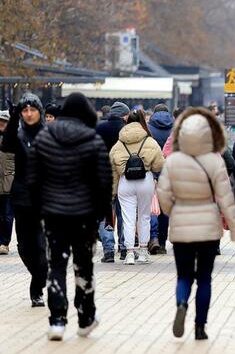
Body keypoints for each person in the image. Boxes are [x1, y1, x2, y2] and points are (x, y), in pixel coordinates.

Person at [27, 92, 112, 341]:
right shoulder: (92, 140)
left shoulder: (44, 138)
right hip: (84, 216)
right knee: (83, 265)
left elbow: (33, 178)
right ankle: (85, 318)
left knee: (57, 265)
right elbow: (103, 182)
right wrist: (99, 212)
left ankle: (57, 321)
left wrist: (39, 208)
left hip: (53, 214)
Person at [156, 107, 235, 340]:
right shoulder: (215, 160)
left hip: (181, 225)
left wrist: (171, 211)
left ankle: (182, 302)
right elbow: (226, 197)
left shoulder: (173, 160)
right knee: (204, 278)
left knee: (184, 276)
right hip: (208, 226)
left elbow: (163, 194)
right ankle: (200, 327)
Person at [1, 93, 48, 307]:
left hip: (43, 196)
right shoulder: (17, 134)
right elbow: (7, 145)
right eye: (24, 111)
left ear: (39, 111)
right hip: (20, 195)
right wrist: (12, 120)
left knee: (39, 244)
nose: (29, 114)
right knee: (23, 246)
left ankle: (37, 287)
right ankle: (37, 274)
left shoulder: (48, 134)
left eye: (32, 110)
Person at [109, 109, 164, 265]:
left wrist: (112, 191)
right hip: (145, 180)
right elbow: (159, 165)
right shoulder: (149, 141)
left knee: (128, 218)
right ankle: (143, 251)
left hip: (125, 182)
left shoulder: (119, 143)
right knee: (144, 217)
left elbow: (112, 167)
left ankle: (130, 253)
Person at [96, 101, 130, 262]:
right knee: (124, 213)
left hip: (103, 178)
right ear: (124, 115)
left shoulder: (99, 128)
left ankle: (108, 250)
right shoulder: (127, 130)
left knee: (107, 214)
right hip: (124, 177)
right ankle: (124, 247)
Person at [146, 103, 174, 254]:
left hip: (153, 172)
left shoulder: (148, 128)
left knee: (152, 208)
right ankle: (163, 243)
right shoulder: (175, 128)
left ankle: (153, 238)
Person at [0, 110, 14, 255]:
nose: (2, 123)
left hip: (10, 184)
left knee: (8, 215)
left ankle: (4, 243)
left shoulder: (15, 139)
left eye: (4, 121)